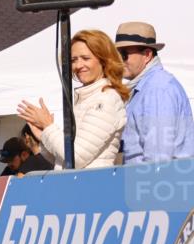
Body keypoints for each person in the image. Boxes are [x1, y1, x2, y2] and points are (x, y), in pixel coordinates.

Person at [18, 29, 129, 169]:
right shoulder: (86, 98)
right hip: (78, 185)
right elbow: (64, 161)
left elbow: (76, 158)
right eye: (73, 60)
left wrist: (48, 126)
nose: (78, 65)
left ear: (104, 59)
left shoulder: (105, 100)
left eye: (86, 58)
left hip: (91, 186)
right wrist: (43, 137)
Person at [114, 21, 194, 163]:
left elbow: (158, 159)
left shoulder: (156, 90)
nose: (119, 61)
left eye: (124, 54)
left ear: (147, 55)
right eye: (117, 55)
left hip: (151, 181)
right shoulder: (148, 87)